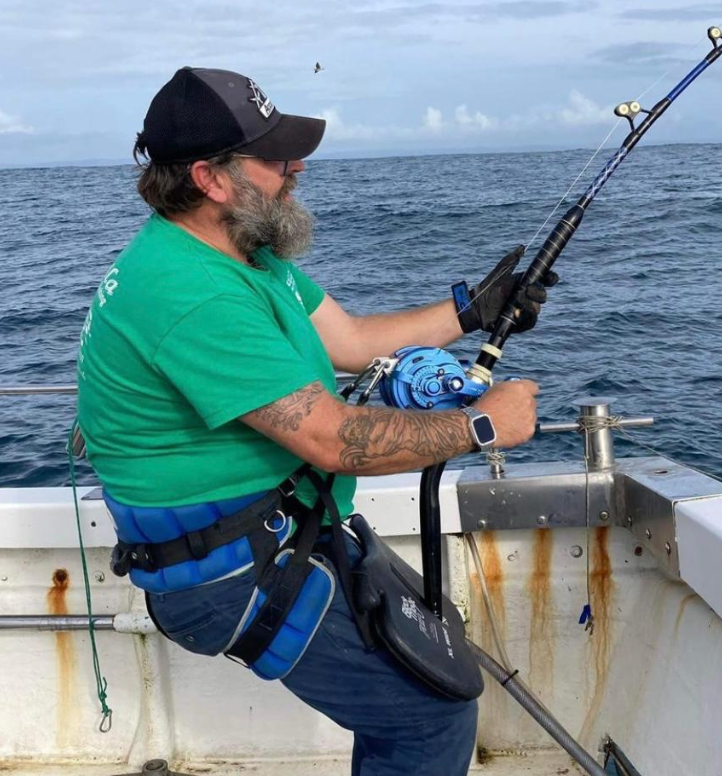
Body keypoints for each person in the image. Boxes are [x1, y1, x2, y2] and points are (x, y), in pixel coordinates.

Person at [76, 67, 552, 776]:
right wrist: (482, 426)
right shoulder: (187, 292)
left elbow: (352, 340)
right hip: (225, 574)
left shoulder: (244, 254)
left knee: (412, 694)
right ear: (209, 177)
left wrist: (472, 310)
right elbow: (332, 439)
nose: (295, 169)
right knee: (429, 715)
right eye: (274, 158)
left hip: (285, 529)